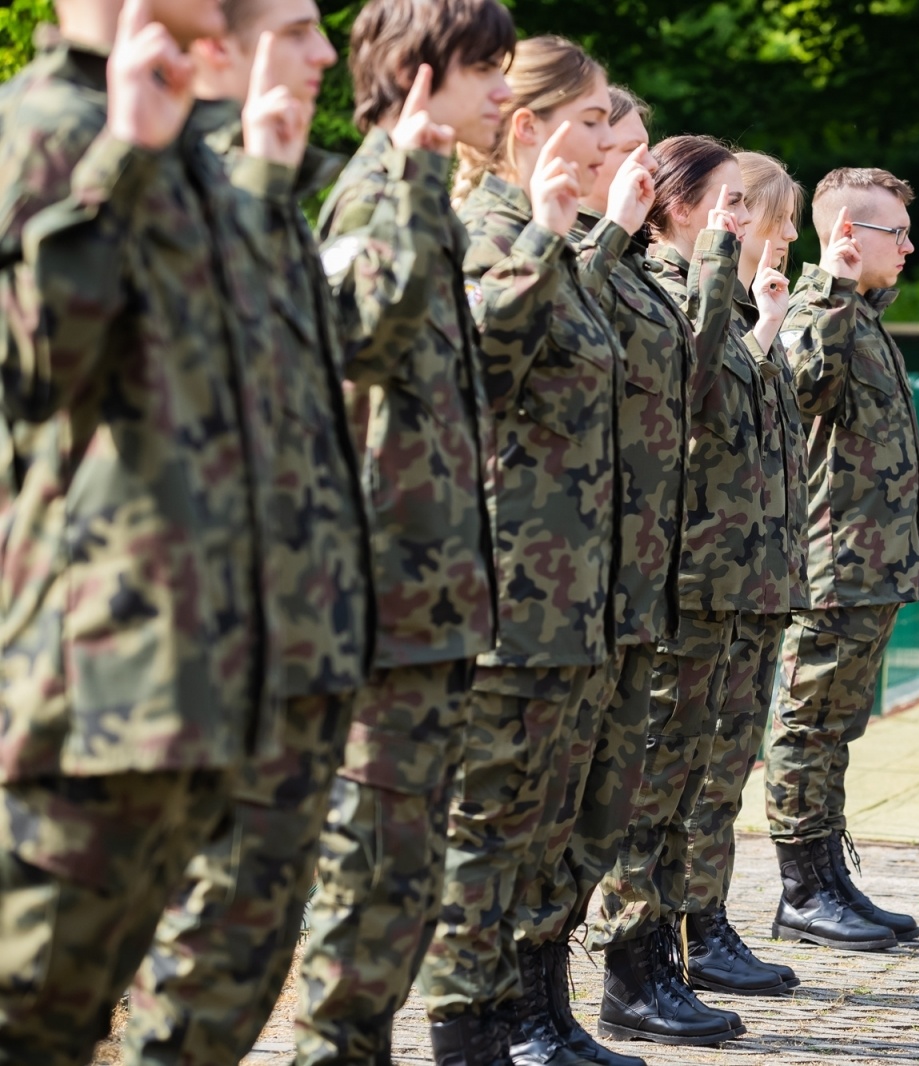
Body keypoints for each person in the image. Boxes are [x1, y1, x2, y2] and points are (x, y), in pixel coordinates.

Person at [0, 0, 282, 1061]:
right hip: (81, 673)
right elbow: (27, 373)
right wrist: (122, 154)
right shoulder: (39, 126)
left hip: (195, 670)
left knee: (90, 1013)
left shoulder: (196, 147)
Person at [117, 2, 374, 1062]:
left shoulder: (258, 193)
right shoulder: (132, 175)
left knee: (247, 944)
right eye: (301, 28)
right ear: (218, 42)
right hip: (172, 646)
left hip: (291, 633)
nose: (326, 54)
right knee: (182, 949)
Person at [292, 1, 513, 1061]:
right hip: (381, 607)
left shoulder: (418, 195)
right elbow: (362, 343)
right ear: (424, 75)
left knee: (403, 884)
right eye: (485, 71)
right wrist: (422, 177)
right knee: (367, 877)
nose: (504, 94)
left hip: (429, 606)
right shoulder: (377, 193)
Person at [417, 35, 637, 1066]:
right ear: (528, 126)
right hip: (506, 592)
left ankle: (519, 1016)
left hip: (571, 594)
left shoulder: (554, 235)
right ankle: (465, 1035)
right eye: (593, 120)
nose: (609, 141)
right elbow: (472, 372)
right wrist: (547, 234)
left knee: (542, 828)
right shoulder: (486, 228)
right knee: (487, 825)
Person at [585, 134, 783, 1047]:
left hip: (719, 580)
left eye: (746, 205)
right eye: (726, 202)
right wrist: (714, 266)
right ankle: (631, 966)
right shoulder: (659, 285)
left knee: (688, 777)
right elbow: (691, 387)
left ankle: (660, 956)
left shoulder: (706, 291)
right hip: (679, 577)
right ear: (674, 202)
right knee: (656, 777)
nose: (737, 220)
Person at [763, 167, 919, 950]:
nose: (911, 245)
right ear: (851, 238)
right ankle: (800, 890)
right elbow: (800, 392)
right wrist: (829, 288)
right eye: (895, 232)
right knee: (807, 725)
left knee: (837, 728)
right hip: (833, 565)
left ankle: (826, 877)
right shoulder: (815, 310)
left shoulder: (860, 315)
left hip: (871, 567)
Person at [678, 149, 810, 994]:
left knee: (724, 769)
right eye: (778, 217)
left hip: (754, 582)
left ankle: (706, 919)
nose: (789, 235)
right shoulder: (697, 308)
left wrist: (765, 326)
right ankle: (678, 931)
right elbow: (703, 425)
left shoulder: (745, 311)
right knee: (690, 771)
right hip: (704, 580)